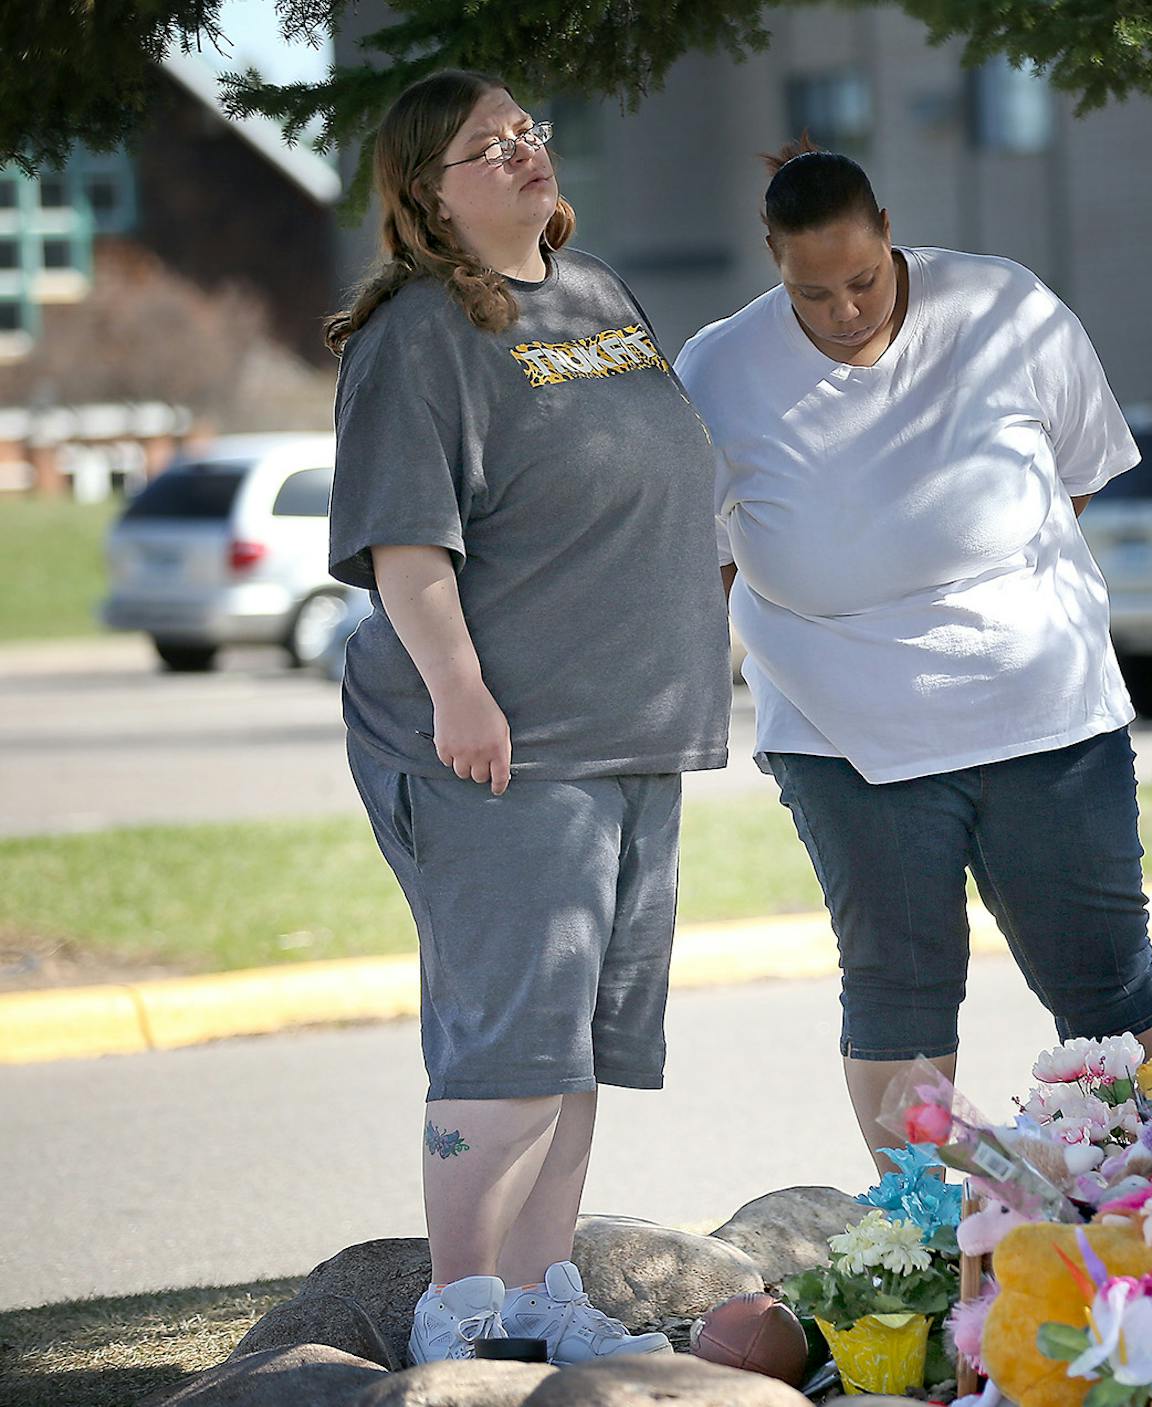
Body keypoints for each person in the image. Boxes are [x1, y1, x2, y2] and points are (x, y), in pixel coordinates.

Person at [325, 71, 730, 1365]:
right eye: (483, 149)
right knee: (505, 1039)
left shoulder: (600, 291)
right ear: (425, 196)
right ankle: (462, 1305)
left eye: (526, 135)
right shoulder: (420, 334)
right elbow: (404, 541)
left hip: (631, 733)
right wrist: (459, 692)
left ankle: (545, 1285)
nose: (521, 156)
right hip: (506, 745)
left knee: (582, 1042)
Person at [674, 142, 1152, 1164]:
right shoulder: (719, 370)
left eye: (862, 280)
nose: (846, 310)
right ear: (773, 264)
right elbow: (701, 557)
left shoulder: (1006, 309)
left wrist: (966, 580)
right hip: (844, 733)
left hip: (1044, 709)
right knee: (899, 989)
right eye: (812, 293)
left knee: (1103, 980)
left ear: (890, 232)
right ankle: (923, 1238)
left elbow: (1075, 475)